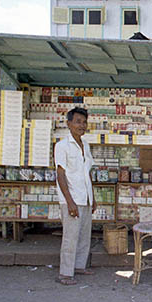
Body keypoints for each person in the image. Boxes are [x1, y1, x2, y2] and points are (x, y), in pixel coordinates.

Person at [54, 107, 96, 285]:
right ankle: (65, 274)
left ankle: (79, 266)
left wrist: (93, 197)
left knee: (84, 235)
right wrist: (69, 202)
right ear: (69, 123)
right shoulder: (62, 146)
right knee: (70, 237)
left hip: (85, 197)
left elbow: (88, 173)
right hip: (71, 199)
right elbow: (60, 174)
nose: (82, 125)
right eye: (78, 121)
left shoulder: (85, 145)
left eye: (84, 122)